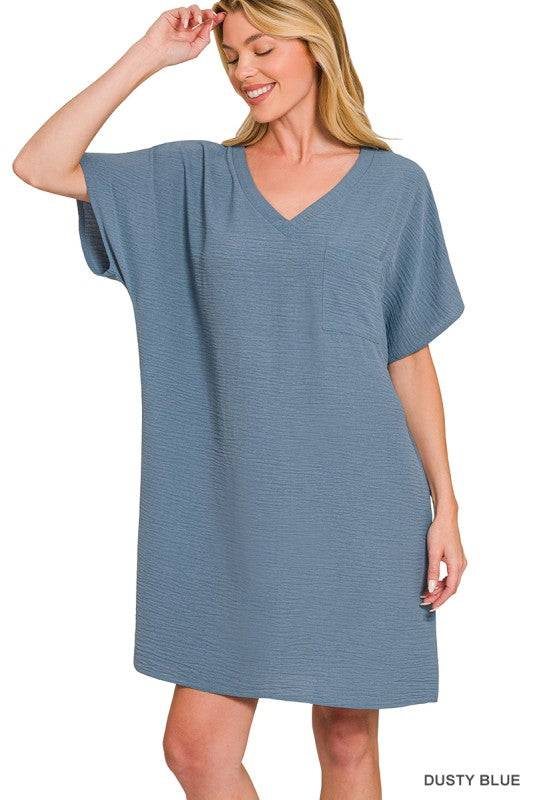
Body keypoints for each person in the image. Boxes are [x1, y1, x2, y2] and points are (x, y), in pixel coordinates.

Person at [13, 2, 468, 798]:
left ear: (316, 47)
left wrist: (446, 507)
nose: (244, 71)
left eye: (263, 48)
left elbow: (408, 356)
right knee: (196, 750)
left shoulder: (395, 187)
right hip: (227, 509)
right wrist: (148, 54)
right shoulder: (193, 181)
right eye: (230, 57)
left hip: (361, 501)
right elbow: (40, 164)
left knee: (347, 738)